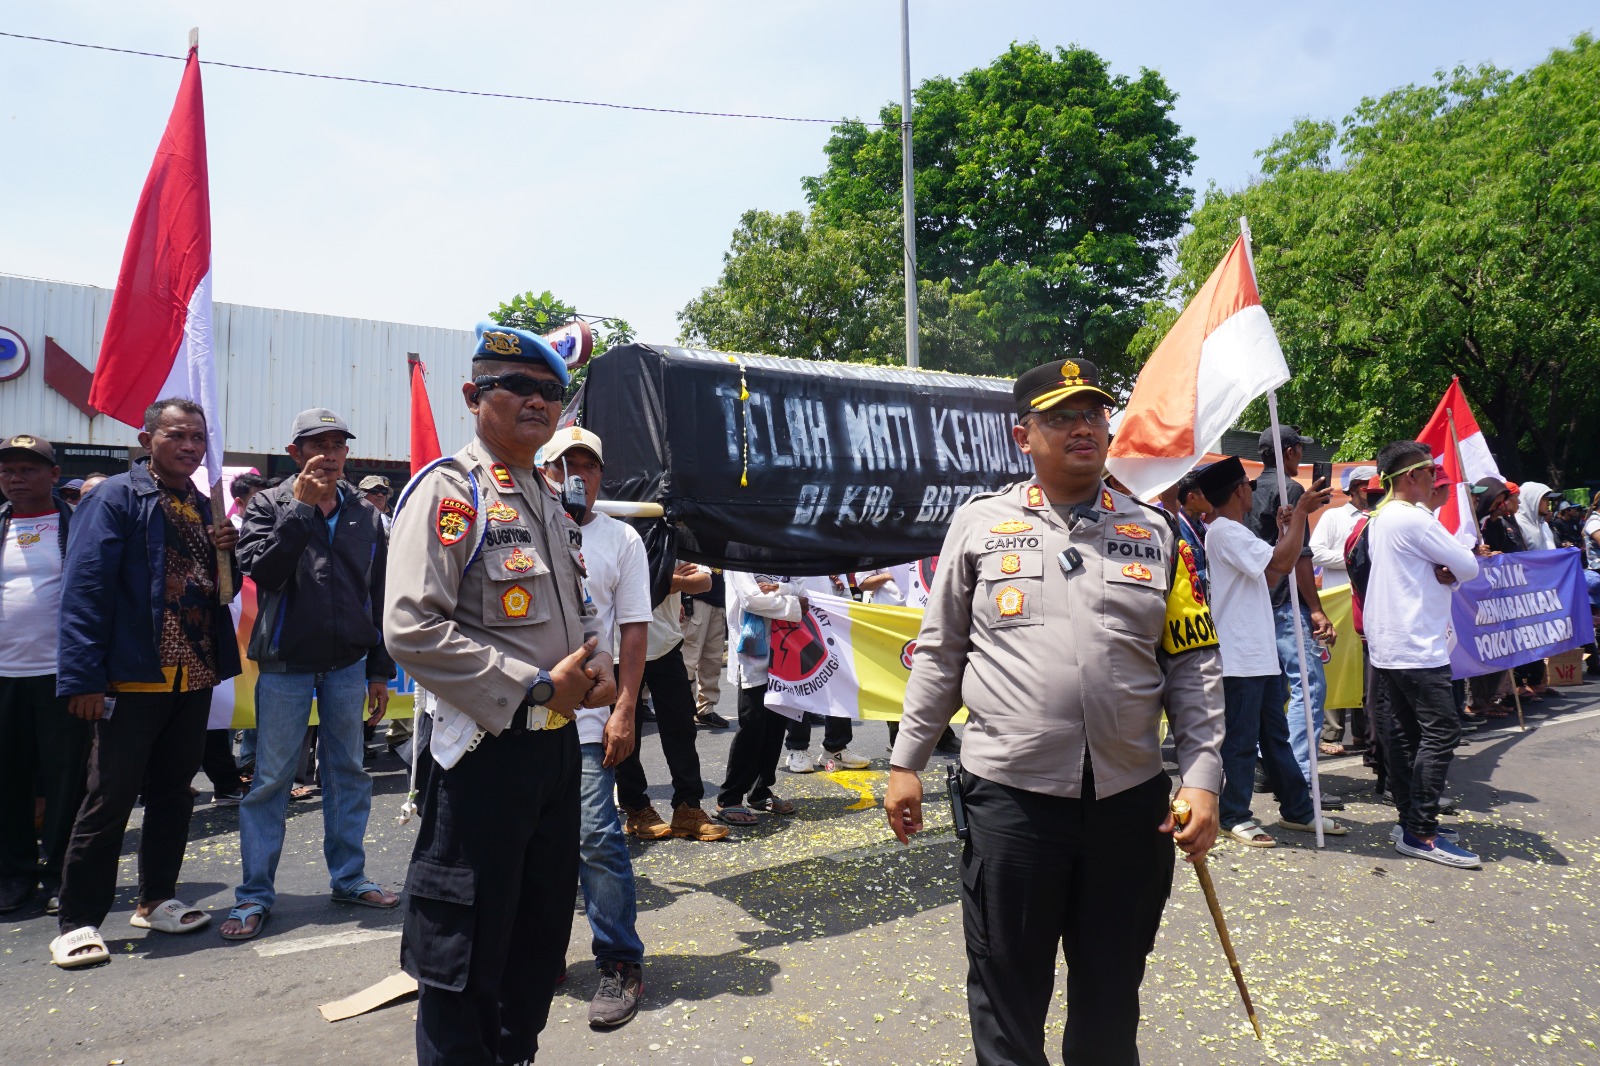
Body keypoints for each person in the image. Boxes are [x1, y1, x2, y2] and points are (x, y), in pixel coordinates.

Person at [883, 358, 1224, 1066]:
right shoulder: (979, 527)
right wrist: (905, 763)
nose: (1083, 428)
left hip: (1129, 807)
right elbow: (942, 653)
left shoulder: (1158, 533)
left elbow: (1192, 664)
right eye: (1062, 416)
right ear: (1023, 435)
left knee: (1110, 995)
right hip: (1012, 802)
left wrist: (1202, 775)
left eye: (1095, 414)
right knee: (1007, 991)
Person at [384, 322, 615, 1064]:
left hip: (554, 757)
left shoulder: (547, 498)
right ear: (473, 395)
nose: (537, 402)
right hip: (484, 755)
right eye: (516, 386)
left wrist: (598, 664)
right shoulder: (451, 492)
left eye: (552, 392)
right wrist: (538, 685)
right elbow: (411, 628)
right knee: (464, 963)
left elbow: (578, 611)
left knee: (535, 947)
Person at [50, 399, 241, 968]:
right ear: (146, 437)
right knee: (107, 801)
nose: (189, 446)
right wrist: (84, 677)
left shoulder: (199, 503)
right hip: (131, 679)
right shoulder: (114, 497)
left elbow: (213, 587)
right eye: (177, 435)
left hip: (193, 676)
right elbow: (84, 590)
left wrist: (226, 551)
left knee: (173, 795)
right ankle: (79, 920)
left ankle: (155, 898)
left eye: (198, 438)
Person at [219, 408, 399, 941]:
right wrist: (299, 507)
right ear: (295, 453)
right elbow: (266, 573)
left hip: (348, 664)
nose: (330, 454)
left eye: (338, 444)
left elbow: (379, 596)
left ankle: (349, 878)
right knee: (272, 779)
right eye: (317, 445)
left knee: (348, 772)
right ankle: (253, 896)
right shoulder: (270, 505)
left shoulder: (365, 515)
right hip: (285, 664)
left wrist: (379, 670)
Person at [539, 426, 653, 1026]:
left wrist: (625, 708)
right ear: (545, 468)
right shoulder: (526, 523)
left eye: (590, 465)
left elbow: (632, 628)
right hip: (523, 712)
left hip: (586, 717)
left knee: (595, 835)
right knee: (536, 839)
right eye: (565, 465)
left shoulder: (622, 539)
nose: (577, 476)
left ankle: (619, 961)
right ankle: (541, 953)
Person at [1197, 456, 1347, 848]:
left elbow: (1272, 571)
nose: (1252, 491)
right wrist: (1299, 514)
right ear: (1238, 492)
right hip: (1241, 654)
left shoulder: (1234, 532)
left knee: (1275, 738)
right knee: (1242, 741)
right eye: (1247, 486)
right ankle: (1233, 814)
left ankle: (1297, 810)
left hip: (1257, 653)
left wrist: (1287, 526)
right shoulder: (1225, 531)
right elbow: (1280, 562)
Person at [1366, 441, 1482, 868]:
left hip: (1392, 644)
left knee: (1405, 736)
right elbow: (1468, 566)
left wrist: (1446, 572)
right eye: (1432, 472)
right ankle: (1421, 831)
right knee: (1441, 733)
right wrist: (1451, 572)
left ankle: (1410, 821)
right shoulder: (1415, 519)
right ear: (1411, 476)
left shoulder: (1380, 518)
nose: (1436, 480)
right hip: (1417, 644)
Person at [0, 436, 90, 915]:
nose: (16, 478)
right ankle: (14, 874)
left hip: (60, 676)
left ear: (54, 475)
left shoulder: (77, 526)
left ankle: (60, 874)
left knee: (64, 781)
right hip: (4, 675)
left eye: (28, 469)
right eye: (8, 470)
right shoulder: (0, 524)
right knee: (7, 779)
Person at [1249, 426, 1340, 802]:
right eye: (1299, 449)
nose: (1301, 455)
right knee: (1308, 685)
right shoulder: (1290, 491)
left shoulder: (1249, 490)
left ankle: (1268, 765)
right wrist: (1316, 610)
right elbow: (1298, 556)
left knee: (1275, 688)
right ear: (1288, 452)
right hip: (1285, 601)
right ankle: (1301, 779)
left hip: (1258, 601)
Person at [613, 556, 729, 841]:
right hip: (617, 648)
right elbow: (609, 583)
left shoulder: (667, 534)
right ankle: (636, 808)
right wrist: (671, 580)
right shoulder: (615, 529)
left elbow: (704, 580)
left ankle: (688, 809)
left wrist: (650, 579)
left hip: (666, 646)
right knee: (628, 731)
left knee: (681, 728)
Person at [716, 570, 808, 826]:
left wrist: (778, 589)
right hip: (752, 652)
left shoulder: (785, 548)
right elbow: (752, 599)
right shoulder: (740, 553)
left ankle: (760, 790)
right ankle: (729, 797)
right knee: (753, 723)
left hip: (786, 648)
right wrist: (791, 602)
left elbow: (801, 587)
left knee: (777, 722)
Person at [1309, 464, 1377, 754]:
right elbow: (1316, 551)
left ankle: (1363, 732)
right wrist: (1354, 558)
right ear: (1358, 487)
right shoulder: (1334, 516)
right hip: (1339, 602)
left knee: (1364, 669)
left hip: (1368, 603)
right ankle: (1331, 735)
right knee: (1337, 667)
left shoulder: (1378, 517)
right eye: (1370, 486)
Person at [681, 567, 729, 729]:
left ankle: (706, 709)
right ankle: (684, 708)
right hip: (695, 599)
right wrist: (680, 598)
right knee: (689, 658)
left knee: (713, 659)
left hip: (718, 599)